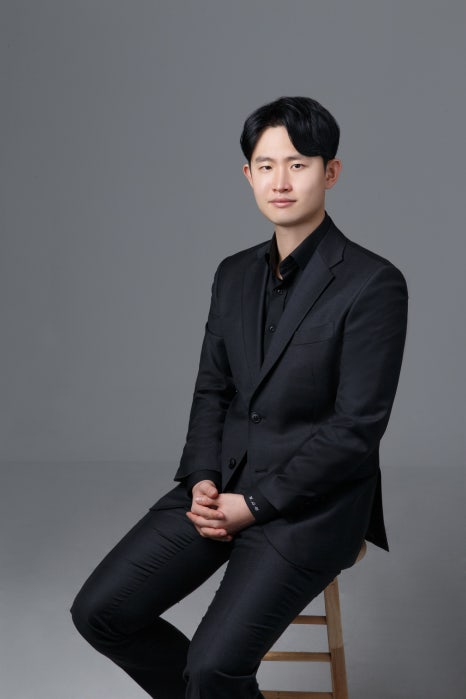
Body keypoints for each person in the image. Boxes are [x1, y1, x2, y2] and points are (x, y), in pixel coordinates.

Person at [70, 96, 408, 699]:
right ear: (248, 174)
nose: (281, 181)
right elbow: (213, 389)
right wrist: (203, 477)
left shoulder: (373, 282)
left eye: (298, 164)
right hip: (221, 484)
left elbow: (356, 428)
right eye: (266, 165)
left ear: (330, 172)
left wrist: (254, 504)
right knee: (100, 612)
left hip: (311, 508)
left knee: (212, 667)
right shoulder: (233, 274)